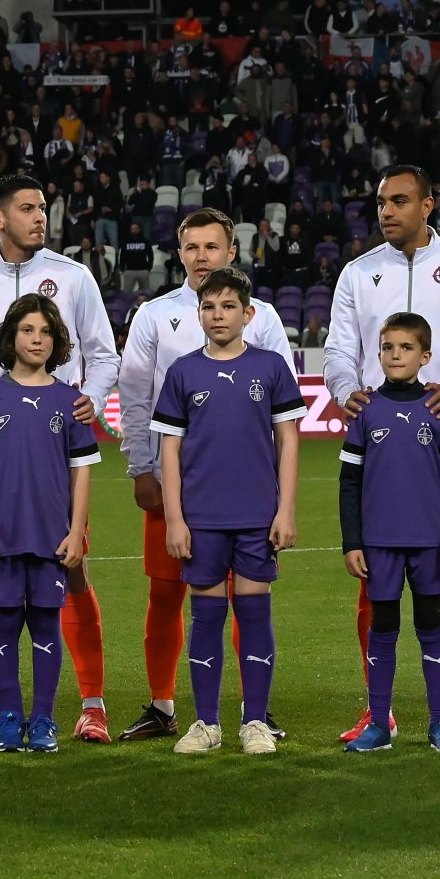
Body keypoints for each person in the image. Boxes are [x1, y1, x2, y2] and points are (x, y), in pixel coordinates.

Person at [0, 172, 120, 744]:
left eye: (43, 207)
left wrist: (92, 399)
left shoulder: (74, 276)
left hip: (54, 445)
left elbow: (103, 354)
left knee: (72, 567)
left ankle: (91, 703)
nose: (40, 217)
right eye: (27, 208)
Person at [325, 164, 440, 743]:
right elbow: (338, 350)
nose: (387, 211)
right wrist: (345, 390)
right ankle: (377, 709)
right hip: (380, 447)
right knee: (372, 572)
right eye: (382, 202)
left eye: (399, 201)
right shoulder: (358, 273)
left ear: (428, 206)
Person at [116, 207, 296, 743]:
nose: (201, 257)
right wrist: (140, 464)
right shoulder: (155, 315)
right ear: (179, 253)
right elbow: (134, 395)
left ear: (231, 252)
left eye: (211, 247)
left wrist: (280, 502)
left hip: (248, 494)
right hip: (180, 489)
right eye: (192, 247)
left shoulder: (263, 318)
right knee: (167, 595)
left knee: (248, 603)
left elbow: (281, 416)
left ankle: (254, 711)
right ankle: (166, 705)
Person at [152, 267, 304, 756]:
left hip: (257, 516)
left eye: (228, 306)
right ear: (198, 314)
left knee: (254, 615)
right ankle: (207, 724)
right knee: (206, 617)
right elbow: (169, 451)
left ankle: (255, 721)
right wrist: (175, 519)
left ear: (248, 313)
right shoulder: (183, 372)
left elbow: (288, 441)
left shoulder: (271, 367)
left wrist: (285, 510)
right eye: (209, 307)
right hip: (202, 520)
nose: (218, 315)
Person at [0, 295, 99, 754]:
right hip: (2, 536)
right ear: (11, 337)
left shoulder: (70, 402)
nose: (37, 339)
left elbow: (82, 471)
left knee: (47, 626)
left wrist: (76, 532)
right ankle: (10, 718)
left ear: (57, 341)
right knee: (4, 627)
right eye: (28, 330)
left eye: (46, 332)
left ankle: (44, 719)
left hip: (52, 537)